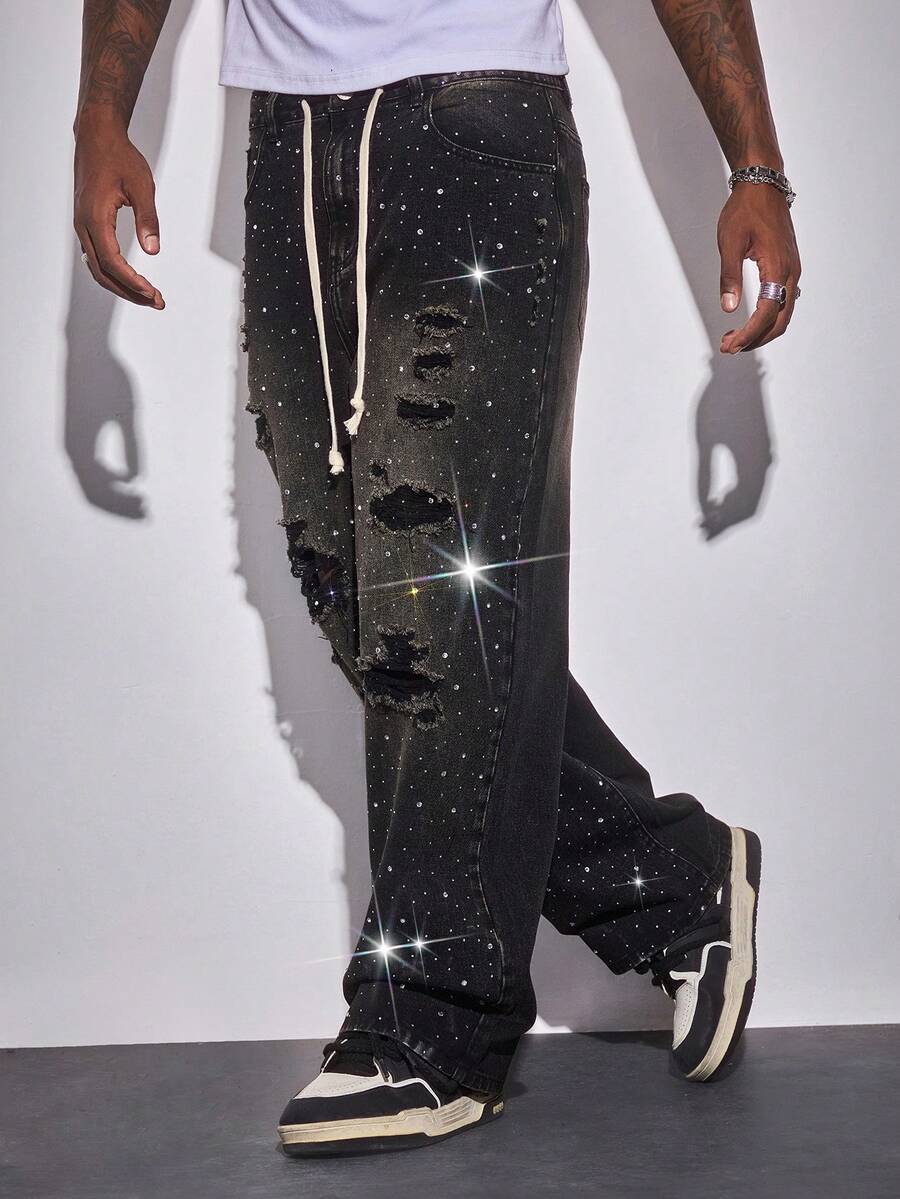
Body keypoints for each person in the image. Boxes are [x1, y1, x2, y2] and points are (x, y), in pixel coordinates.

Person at [73, 0, 799, 1157]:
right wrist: (99, 117)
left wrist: (754, 166)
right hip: (287, 140)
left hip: (477, 125)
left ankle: (435, 1025)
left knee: (430, 601)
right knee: (349, 583)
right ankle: (671, 878)